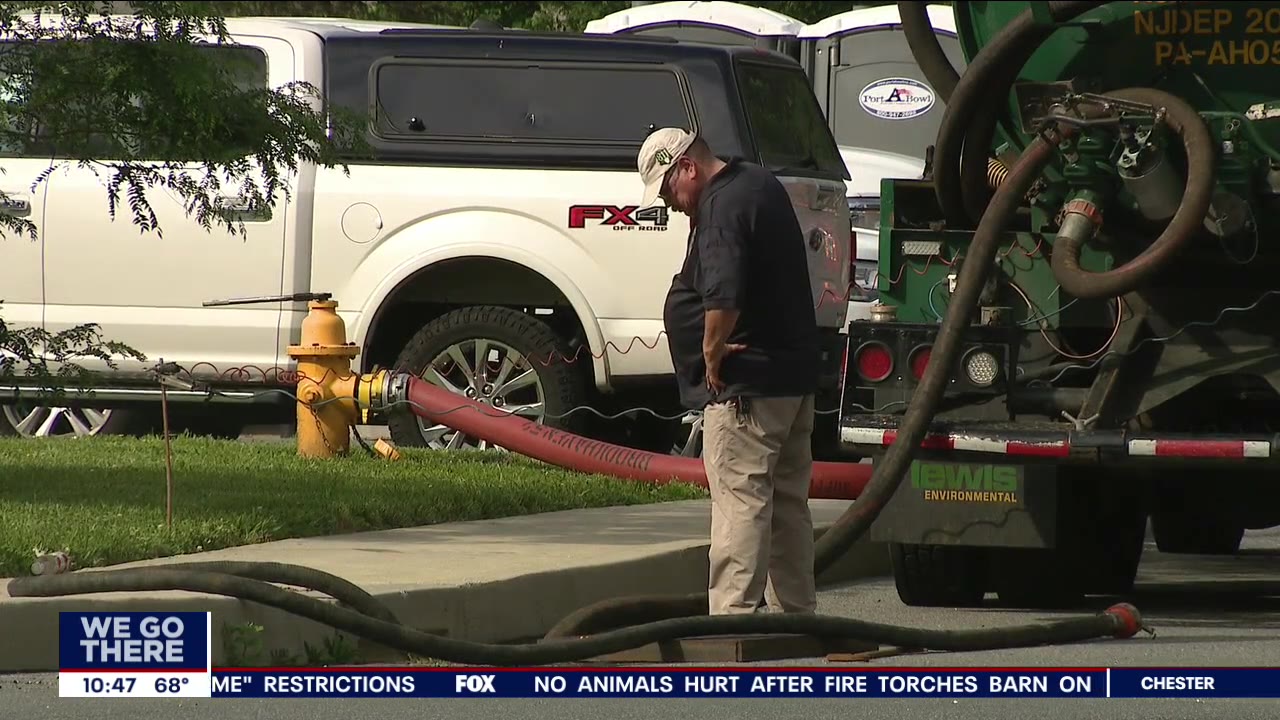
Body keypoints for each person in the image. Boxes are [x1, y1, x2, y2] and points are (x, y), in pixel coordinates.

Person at [636, 127, 822, 615]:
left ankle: (733, 622)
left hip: (748, 389)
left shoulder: (721, 208)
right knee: (786, 507)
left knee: (741, 503)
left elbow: (723, 294)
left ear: (687, 168)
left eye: (668, 190)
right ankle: (797, 617)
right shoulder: (758, 182)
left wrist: (712, 356)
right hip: (791, 381)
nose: (671, 204)